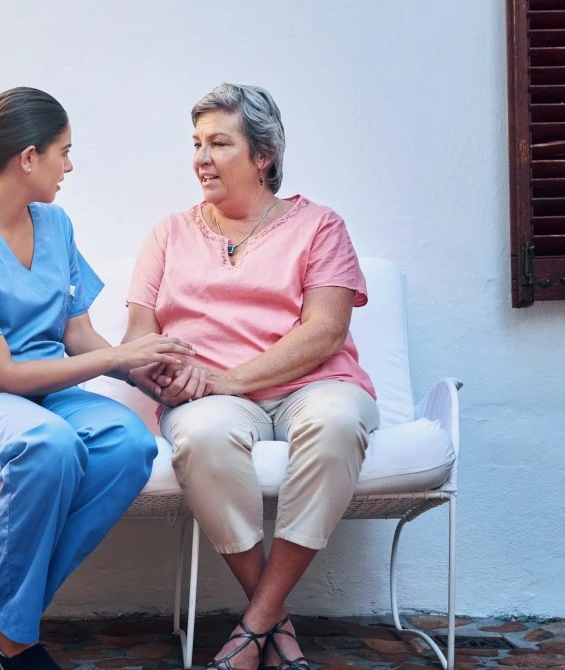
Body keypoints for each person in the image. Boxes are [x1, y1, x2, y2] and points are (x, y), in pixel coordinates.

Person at [0, 86, 194, 670]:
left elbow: (78, 335)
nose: (69, 166)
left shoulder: (55, 224)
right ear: (28, 157)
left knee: (129, 444)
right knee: (48, 445)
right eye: (63, 151)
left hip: (46, 394)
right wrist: (117, 360)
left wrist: (143, 371)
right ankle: (12, 632)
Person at [123, 83, 379, 670]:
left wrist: (227, 379)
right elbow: (139, 334)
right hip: (209, 398)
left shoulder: (320, 226)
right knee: (202, 435)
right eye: (196, 143)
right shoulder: (169, 232)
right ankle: (273, 623)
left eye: (219, 143)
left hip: (312, 384)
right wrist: (161, 373)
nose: (201, 158)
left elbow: (326, 331)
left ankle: (254, 625)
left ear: (263, 155)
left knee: (338, 422)